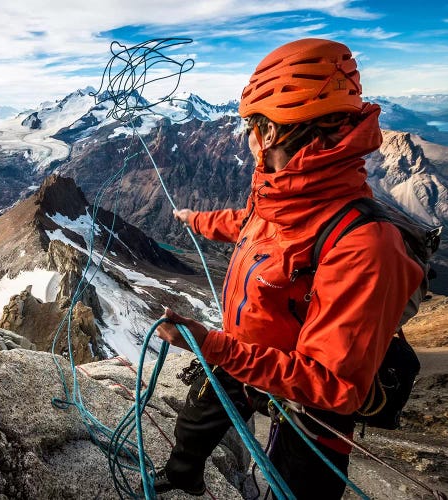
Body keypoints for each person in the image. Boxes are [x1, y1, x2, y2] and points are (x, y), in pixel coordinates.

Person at [154, 38, 424, 499]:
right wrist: (196, 222)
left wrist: (216, 347)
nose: (248, 138)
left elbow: (334, 386)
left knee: (297, 488)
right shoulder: (288, 195)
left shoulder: (366, 244)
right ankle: (183, 475)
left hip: (307, 400)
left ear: (273, 134)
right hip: (248, 351)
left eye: (252, 127)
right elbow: (253, 225)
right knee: (197, 419)